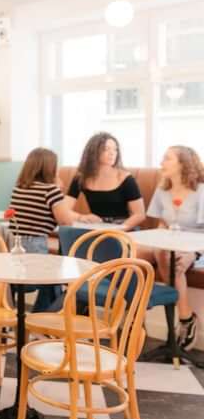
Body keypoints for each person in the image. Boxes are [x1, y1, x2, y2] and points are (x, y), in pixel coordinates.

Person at [9, 148, 97, 311]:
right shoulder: (50, 190)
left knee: (53, 278)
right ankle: (42, 318)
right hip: (35, 244)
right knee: (57, 278)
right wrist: (60, 191)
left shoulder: (20, 187)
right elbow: (65, 220)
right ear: (50, 168)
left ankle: (39, 318)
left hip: (14, 244)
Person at [146, 146, 204, 351]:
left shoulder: (201, 190)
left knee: (174, 262)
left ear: (183, 164)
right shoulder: (162, 190)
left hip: (198, 246)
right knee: (134, 254)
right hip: (171, 243)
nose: (162, 162)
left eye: (167, 159)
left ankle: (186, 318)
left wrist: (193, 253)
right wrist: (162, 238)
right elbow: (162, 223)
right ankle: (133, 318)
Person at [65, 132, 146, 230]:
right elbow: (64, 210)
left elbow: (140, 215)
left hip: (124, 228)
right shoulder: (81, 178)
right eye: (106, 149)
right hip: (97, 227)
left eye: (115, 149)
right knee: (66, 230)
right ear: (93, 152)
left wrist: (117, 230)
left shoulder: (126, 178)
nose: (112, 153)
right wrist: (81, 217)